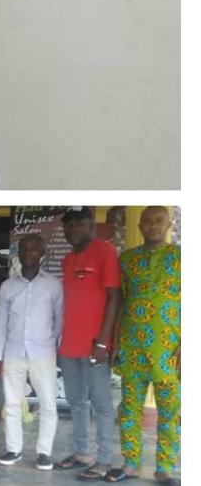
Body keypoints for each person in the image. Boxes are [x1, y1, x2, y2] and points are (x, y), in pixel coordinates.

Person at [105, 207, 180, 485]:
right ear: (139, 226)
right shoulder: (127, 259)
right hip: (132, 348)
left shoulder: (182, 257)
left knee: (170, 410)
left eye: (159, 221)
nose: (152, 226)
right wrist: (115, 341)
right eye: (147, 221)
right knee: (129, 409)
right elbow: (120, 302)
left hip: (169, 350)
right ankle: (132, 463)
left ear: (169, 224)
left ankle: (165, 468)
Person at [55, 207, 121, 481]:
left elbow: (115, 297)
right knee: (77, 402)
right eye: (69, 227)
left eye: (79, 225)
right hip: (70, 346)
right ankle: (82, 453)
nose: (73, 231)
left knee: (103, 404)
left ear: (91, 227)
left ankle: (104, 460)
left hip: (95, 346)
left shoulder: (104, 251)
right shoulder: (68, 260)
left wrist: (103, 343)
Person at [0, 234, 63, 471]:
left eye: (34, 249)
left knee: (48, 404)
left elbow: (59, 320)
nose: (29, 254)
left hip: (43, 353)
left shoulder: (53, 285)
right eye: (24, 249)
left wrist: (54, 347)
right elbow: (0, 323)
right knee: (12, 404)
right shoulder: (7, 286)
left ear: (41, 253)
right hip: (13, 352)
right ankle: (14, 450)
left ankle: (44, 453)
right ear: (18, 253)